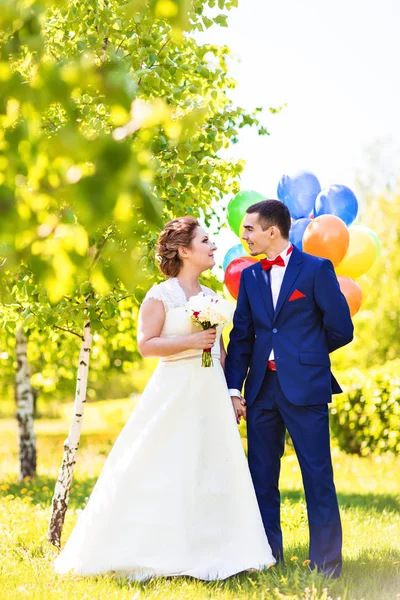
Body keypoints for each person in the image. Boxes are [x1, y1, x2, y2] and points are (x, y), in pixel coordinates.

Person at [54, 216, 275, 581]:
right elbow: (146, 344)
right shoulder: (161, 294)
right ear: (185, 250)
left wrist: (231, 394)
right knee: (164, 463)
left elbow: (220, 353)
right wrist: (189, 342)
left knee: (211, 465)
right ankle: (153, 550)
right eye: (206, 241)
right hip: (173, 391)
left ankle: (216, 549)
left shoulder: (212, 298)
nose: (213, 246)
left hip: (209, 391)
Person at [225, 200, 354, 579]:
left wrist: (303, 356)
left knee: (317, 477)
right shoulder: (250, 278)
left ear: (272, 231)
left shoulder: (316, 269)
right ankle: (267, 557)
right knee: (261, 478)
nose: (243, 235)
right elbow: (242, 337)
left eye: (249, 229)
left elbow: (341, 327)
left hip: (306, 387)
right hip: (261, 390)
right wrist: (234, 388)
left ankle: (327, 565)